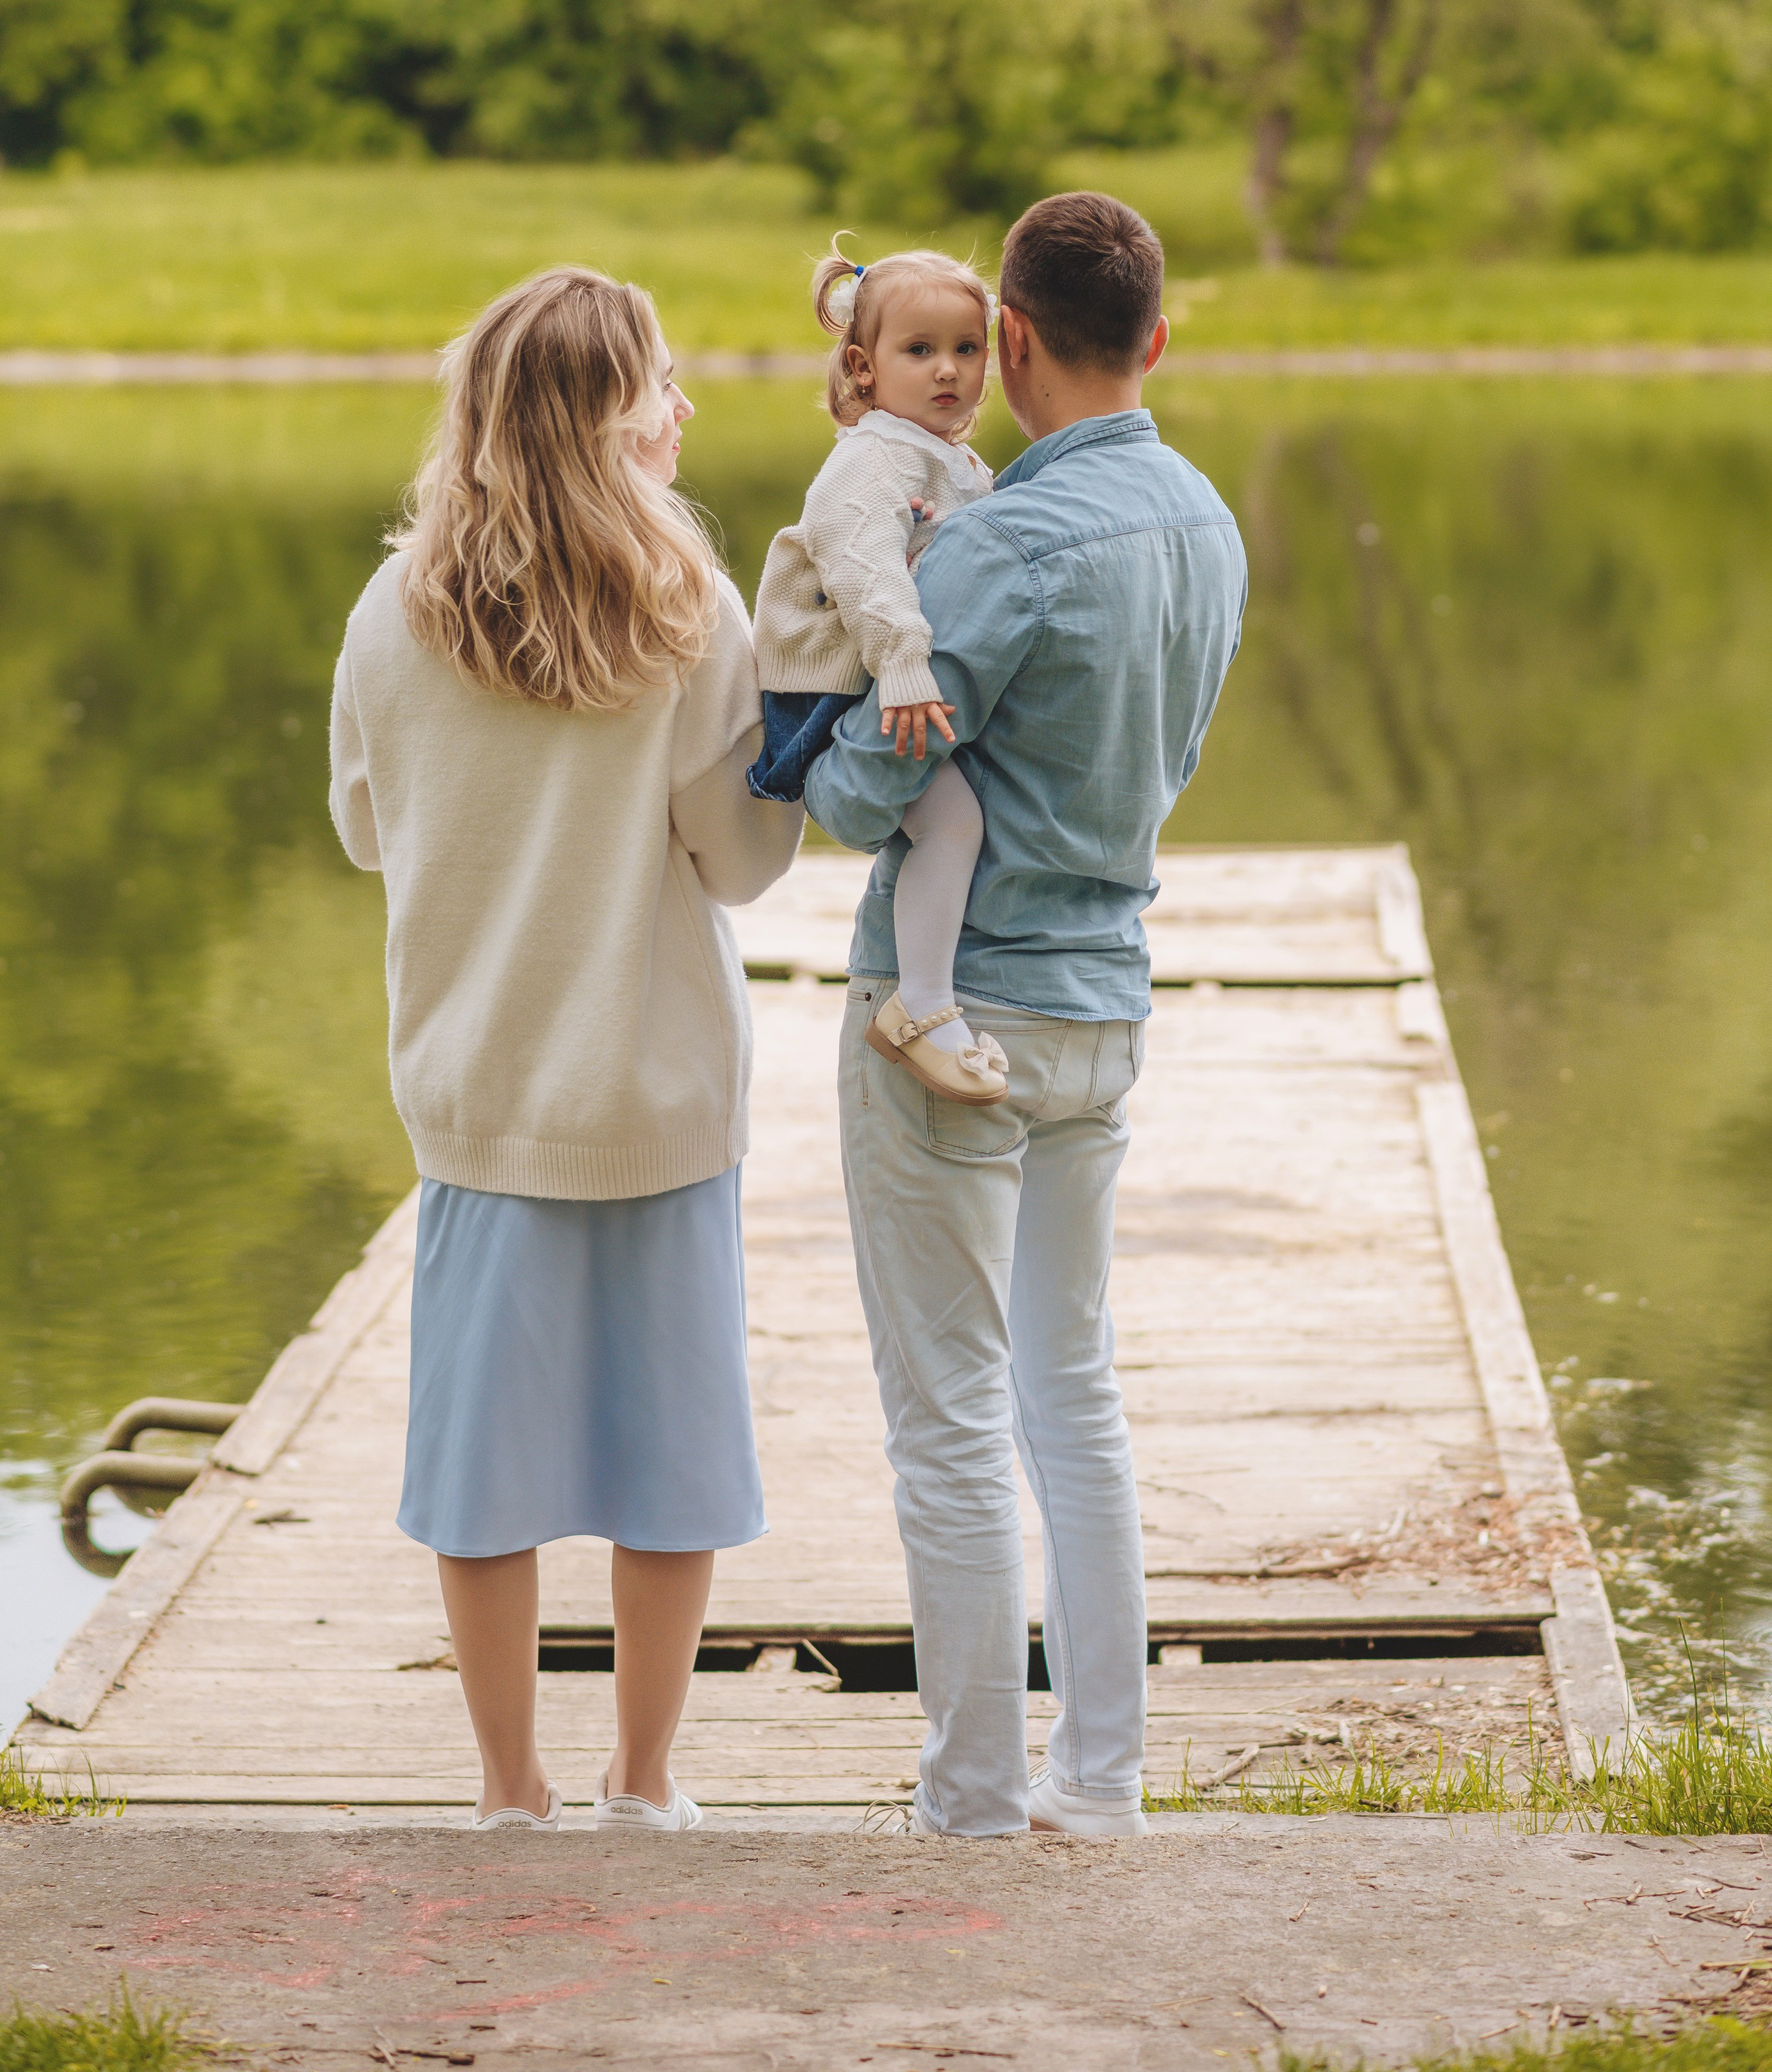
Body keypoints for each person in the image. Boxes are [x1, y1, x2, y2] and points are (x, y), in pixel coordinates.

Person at [328, 267, 802, 1834]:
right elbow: (733, 862)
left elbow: (358, 825)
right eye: (660, 383)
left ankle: (506, 1786)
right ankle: (642, 1780)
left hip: (479, 1098)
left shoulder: (396, 608)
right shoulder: (689, 604)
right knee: (669, 1458)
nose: (683, 406)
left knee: (481, 1465)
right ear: (612, 421)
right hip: (656, 1095)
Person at [804, 190, 1247, 1839]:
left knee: (952, 1417)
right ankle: (1103, 1780)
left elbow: (863, 792)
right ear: (1154, 336)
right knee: (1074, 1392)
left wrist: (822, 719)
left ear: (1003, 337)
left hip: (954, 1014)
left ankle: (976, 1795)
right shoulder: (1206, 517)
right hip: (1101, 1003)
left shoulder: (995, 538)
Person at [749, 242, 1006, 1105]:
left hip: (878, 674)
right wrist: (903, 666)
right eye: (919, 350)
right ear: (862, 367)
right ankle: (920, 1005)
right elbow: (862, 563)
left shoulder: (945, 458)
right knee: (953, 823)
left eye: (967, 350)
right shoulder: (873, 457)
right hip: (832, 684)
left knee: (960, 811)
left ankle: (936, 983)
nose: (948, 371)